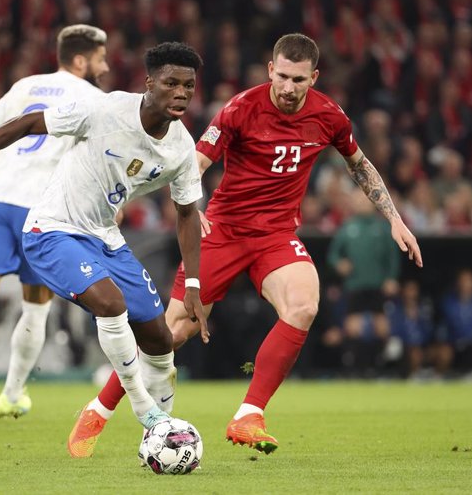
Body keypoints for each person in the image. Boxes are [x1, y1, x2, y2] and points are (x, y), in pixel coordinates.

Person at [78, 33, 422, 457]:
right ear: (270, 71)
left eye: (299, 79)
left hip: (275, 235)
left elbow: (360, 165)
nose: (289, 87)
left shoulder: (329, 116)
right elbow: (194, 162)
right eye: (282, 77)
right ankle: (100, 407)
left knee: (303, 306)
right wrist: (193, 207)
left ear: (313, 77)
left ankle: (249, 415)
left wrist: (394, 219)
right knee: (171, 332)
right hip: (222, 230)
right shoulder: (241, 109)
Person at [0, 42, 208, 453]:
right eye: (171, 83)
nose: (180, 93)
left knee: (160, 339)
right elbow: (25, 124)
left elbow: (186, 214)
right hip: (50, 230)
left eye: (188, 85)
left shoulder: (181, 148)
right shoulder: (106, 111)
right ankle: (147, 413)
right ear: (149, 83)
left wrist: (193, 283)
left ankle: (163, 439)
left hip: (105, 238)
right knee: (111, 304)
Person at [0, 25, 110, 418]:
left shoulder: (26, 85)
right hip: (40, 207)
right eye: (101, 58)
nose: (106, 65)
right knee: (36, 307)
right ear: (81, 60)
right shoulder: (95, 100)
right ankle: (11, 394)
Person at [327, 187, 401, 376]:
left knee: (382, 326)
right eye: (357, 200)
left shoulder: (382, 227)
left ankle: (381, 367)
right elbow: (333, 254)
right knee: (353, 327)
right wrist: (340, 263)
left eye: (364, 199)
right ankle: (357, 368)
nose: (360, 203)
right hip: (355, 285)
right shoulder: (347, 227)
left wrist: (391, 278)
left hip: (377, 285)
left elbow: (393, 256)